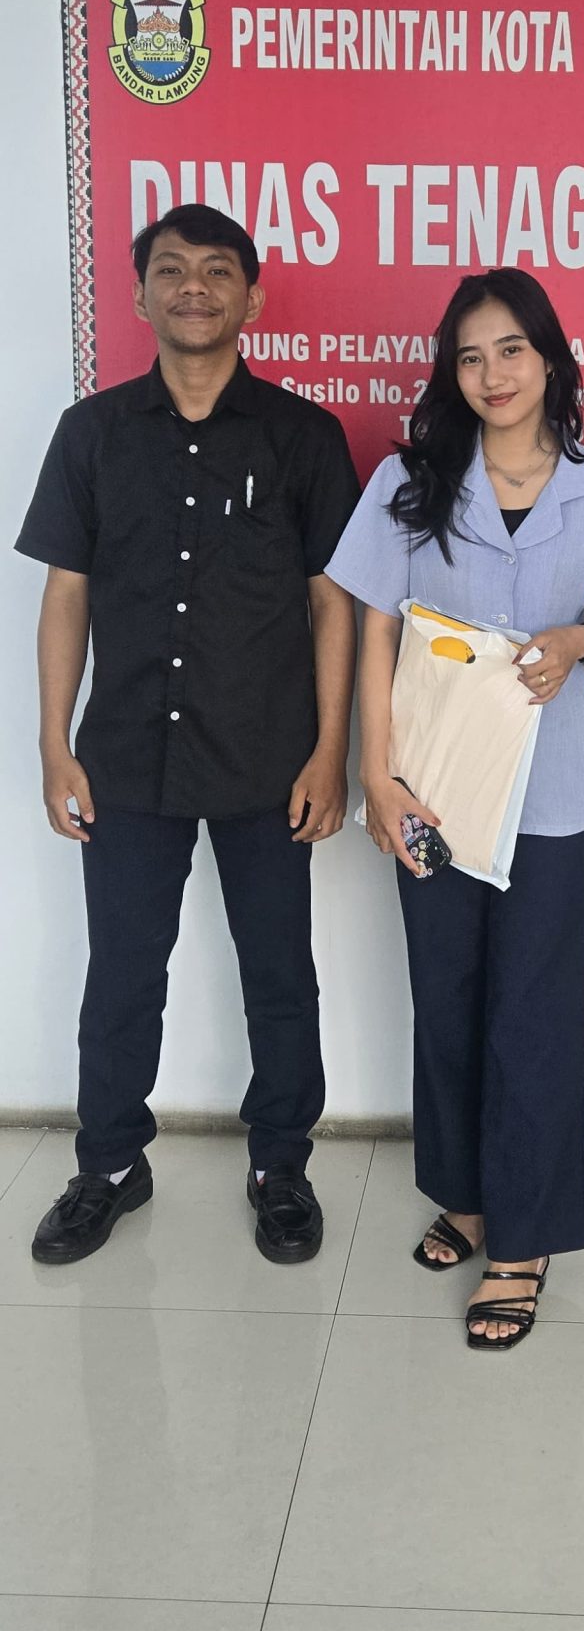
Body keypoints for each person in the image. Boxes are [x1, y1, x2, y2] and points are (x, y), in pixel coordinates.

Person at [17, 203, 360, 1266]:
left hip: (269, 757)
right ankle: (110, 1165)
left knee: (279, 974)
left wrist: (331, 753)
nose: (194, 288)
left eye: (217, 271)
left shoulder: (302, 436)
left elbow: (332, 604)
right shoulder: (92, 432)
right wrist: (55, 743)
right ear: (138, 294)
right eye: (171, 270)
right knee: (123, 971)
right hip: (124, 755)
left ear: (252, 297)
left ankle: (280, 1164)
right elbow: (67, 593)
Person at [327, 268, 584, 1350]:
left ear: (550, 359)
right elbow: (375, 627)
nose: (492, 374)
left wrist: (582, 639)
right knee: (448, 995)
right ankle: (466, 1195)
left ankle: (522, 1239)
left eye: (511, 350)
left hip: (550, 794)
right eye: (469, 357)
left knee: (535, 1013)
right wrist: (375, 775)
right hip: (430, 784)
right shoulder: (408, 483)